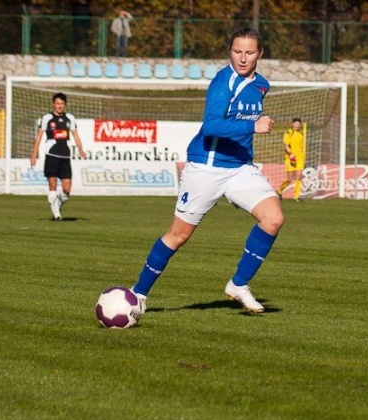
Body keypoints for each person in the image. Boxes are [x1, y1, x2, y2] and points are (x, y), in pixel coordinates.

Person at [130, 27, 283, 315]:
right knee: (178, 235)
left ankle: (238, 284)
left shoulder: (261, 85)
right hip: (206, 167)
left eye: (249, 52)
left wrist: (249, 137)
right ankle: (138, 293)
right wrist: (254, 125)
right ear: (230, 51)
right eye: (237, 51)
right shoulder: (223, 82)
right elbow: (212, 125)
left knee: (273, 218)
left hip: (239, 167)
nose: (242, 58)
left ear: (260, 54)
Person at [30, 92, 87, 221]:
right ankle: (56, 213)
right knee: (53, 186)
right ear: (53, 104)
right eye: (57, 103)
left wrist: (80, 149)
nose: (59, 106)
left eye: (62, 103)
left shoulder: (70, 118)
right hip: (51, 155)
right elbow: (39, 136)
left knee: (67, 189)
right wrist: (34, 154)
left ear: (65, 105)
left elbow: (75, 135)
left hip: (65, 155)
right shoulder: (47, 118)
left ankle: (57, 205)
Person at [277, 117, 306, 200]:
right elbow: (286, 146)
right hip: (290, 158)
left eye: (299, 124)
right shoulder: (289, 133)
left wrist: (303, 156)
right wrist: (291, 154)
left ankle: (297, 196)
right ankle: (279, 191)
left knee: (299, 176)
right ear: (292, 124)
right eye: (296, 123)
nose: (297, 125)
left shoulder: (301, 134)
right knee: (289, 179)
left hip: (299, 158)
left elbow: (302, 147)